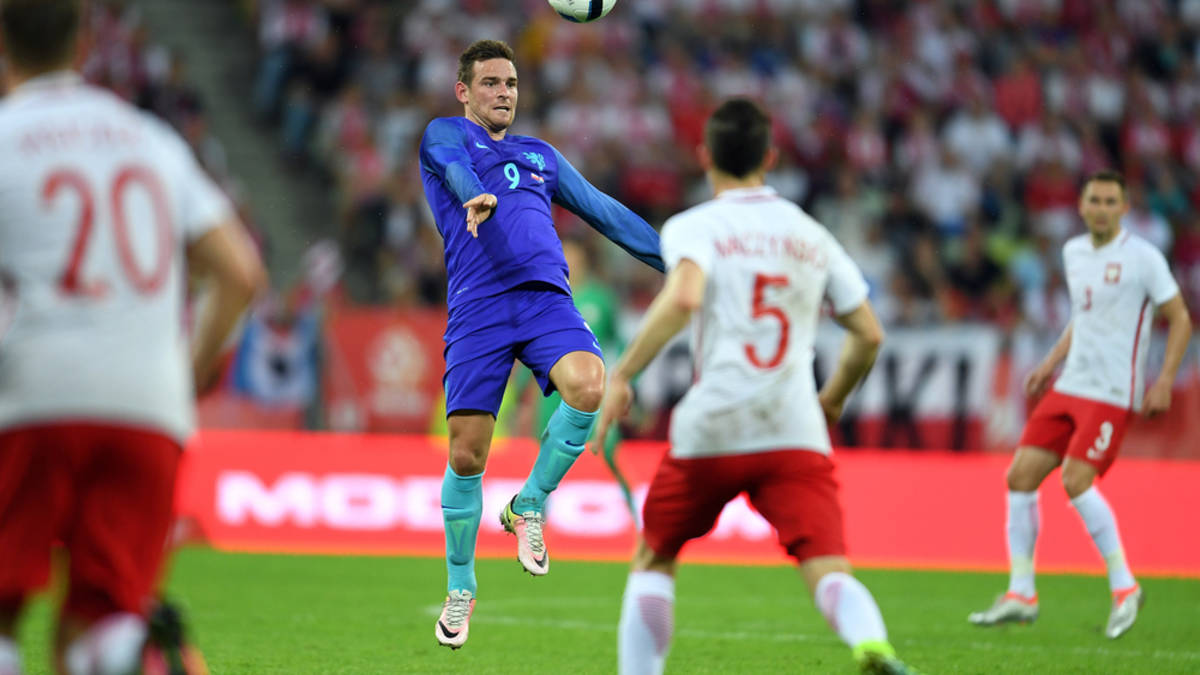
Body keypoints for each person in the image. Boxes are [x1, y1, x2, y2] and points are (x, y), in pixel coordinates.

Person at [594, 99, 914, 675]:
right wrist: (833, 399)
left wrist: (623, 374)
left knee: (655, 555)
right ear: (770, 157)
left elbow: (684, 296)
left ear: (705, 157)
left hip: (713, 426)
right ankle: (872, 644)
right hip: (793, 428)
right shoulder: (811, 234)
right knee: (828, 565)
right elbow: (868, 333)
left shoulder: (695, 226)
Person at [0, 1, 266, 673]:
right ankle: (127, 650)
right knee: (106, 611)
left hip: (33, 396)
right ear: (84, 42)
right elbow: (240, 273)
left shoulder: (5, 138)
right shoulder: (150, 139)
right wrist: (186, 372)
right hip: (147, 408)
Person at [418, 39, 663, 649]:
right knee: (467, 455)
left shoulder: (540, 156)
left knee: (589, 383)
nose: (504, 93)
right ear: (464, 91)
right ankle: (461, 586)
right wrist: (470, 191)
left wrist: (677, 260)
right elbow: (450, 163)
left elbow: (605, 212)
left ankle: (530, 503)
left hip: (545, 298)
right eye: (491, 83)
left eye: (511, 84)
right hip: (478, 305)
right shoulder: (445, 135)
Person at [968, 170, 1192, 638]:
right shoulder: (1073, 252)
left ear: (1124, 208)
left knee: (1075, 479)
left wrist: (1164, 380)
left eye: (1111, 201)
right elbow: (1084, 316)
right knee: (1020, 476)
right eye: (1095, 200)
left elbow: (1180, 318)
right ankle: (1021, 593)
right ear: (1081, 206)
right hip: (1070, 383)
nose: (1102, 209)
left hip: (1112, 390)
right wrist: (1050, 362)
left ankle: (1125, 586)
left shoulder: (1143, 257)